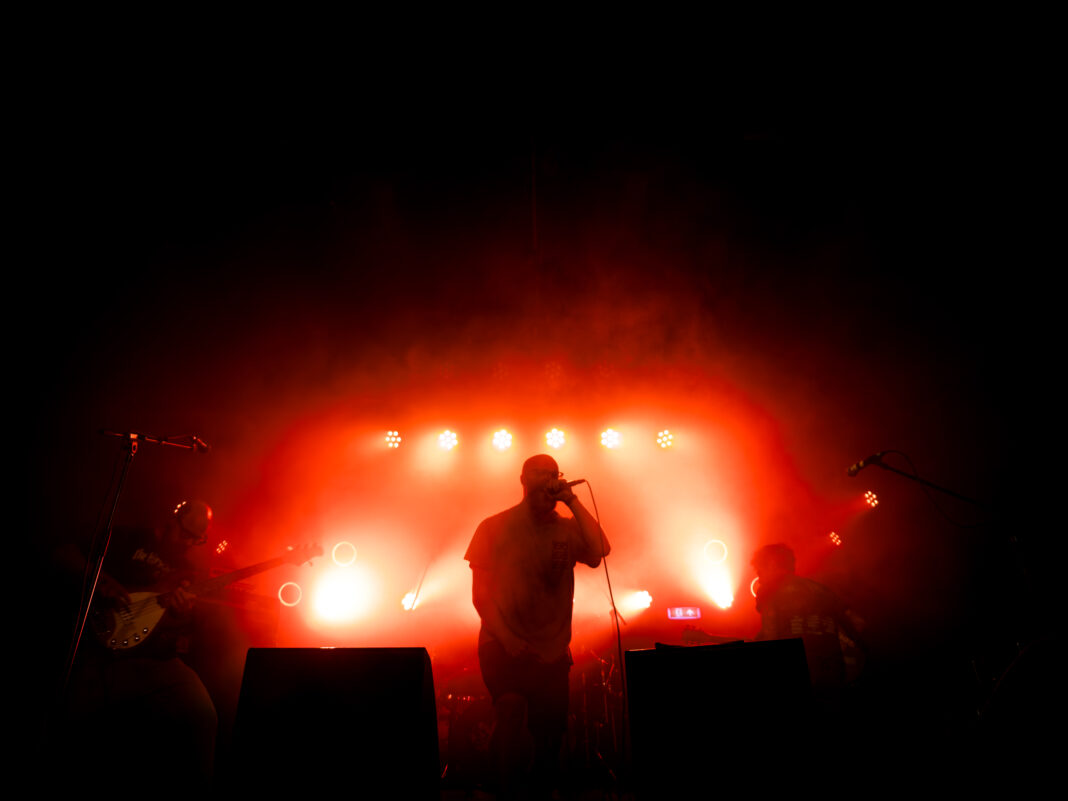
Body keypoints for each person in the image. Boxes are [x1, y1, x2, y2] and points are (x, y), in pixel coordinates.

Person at [465, 454, 610, 798]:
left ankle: (540, 795)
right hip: (502, 643)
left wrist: (572, 501)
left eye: (552, 474)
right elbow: (481, 596)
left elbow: (601, 548)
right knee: (511, 711)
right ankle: (503, 790)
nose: (547, 480)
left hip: (552, 648)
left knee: (550, 735)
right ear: (522, 480)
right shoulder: (493, 527)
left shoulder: (567, 529)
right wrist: (508, 638)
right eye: (538, 474)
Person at [56, 500, 219, 792]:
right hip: (95, 649)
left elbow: (187, 628)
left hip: (151, 661)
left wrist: (182, 612)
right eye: (185, 534)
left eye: (197, 539)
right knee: (69, 724)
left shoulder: (187, 570)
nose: (189, 543)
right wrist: (101, 580)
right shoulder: (125, 538)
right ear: (172, 519)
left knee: (201, 710)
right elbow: (64, 553)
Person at [751, 543, 865, 696]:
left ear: (772, 564)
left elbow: (771, 640)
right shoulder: (822, 590)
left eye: (760, 571)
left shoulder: (771, 592)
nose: (760, 579)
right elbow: (859, 627)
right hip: (833, 679)